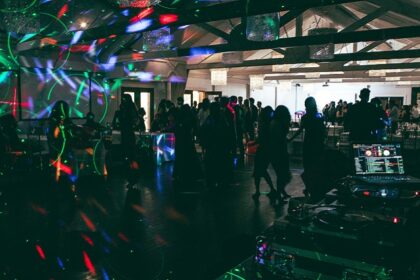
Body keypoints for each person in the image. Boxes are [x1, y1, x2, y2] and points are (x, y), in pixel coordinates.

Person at [290, 97, 325, 199]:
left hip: (309, 144)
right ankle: (315, 187)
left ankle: (309, 187)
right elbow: (322, 131)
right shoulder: (319, 116)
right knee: (317, 166)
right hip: (318, 144)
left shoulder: (305, 117)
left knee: (307, 166)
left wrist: (291, 138)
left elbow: (300, 130)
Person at [201, 102, 231, 188]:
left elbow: (204, 130)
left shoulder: (210, 119)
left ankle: (212, 181)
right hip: (220, 146)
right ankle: (220, 180)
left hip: (212, 146)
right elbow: (227, 132)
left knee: (211, 164)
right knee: (220, 164)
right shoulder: (222, 118)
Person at [252, 106, 276, 200]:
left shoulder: (264, 124)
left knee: (258, 171)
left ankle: (258, 191)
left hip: (262, 149)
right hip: (268, 150)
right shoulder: (271, 124)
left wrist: (253, 143)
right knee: (263, 171)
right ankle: (271, 189)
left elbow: (261, 138)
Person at [270, 106, 292, 201]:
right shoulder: (278, 124)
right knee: (283, 175)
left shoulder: (274, 123)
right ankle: (279, 194)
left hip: (275, 152)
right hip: (280, 152)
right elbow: (280, 138)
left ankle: (280, 192)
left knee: (281, 174)